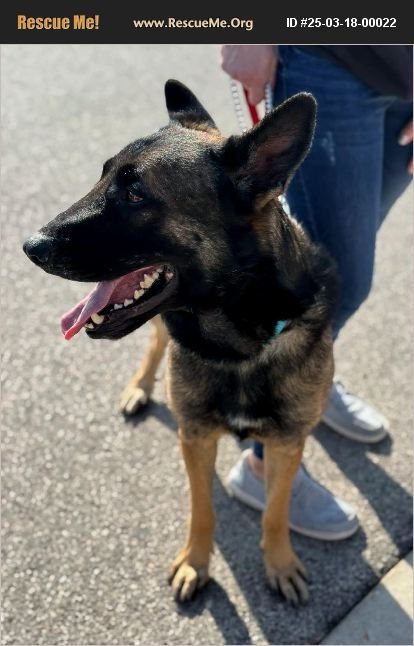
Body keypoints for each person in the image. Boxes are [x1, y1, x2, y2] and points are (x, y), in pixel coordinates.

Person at [221, 45, 413, 541]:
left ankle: (312, 382)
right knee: (333, 286)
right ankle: (263, 465)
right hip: (328, 57)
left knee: (339, 270)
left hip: (404, 75)